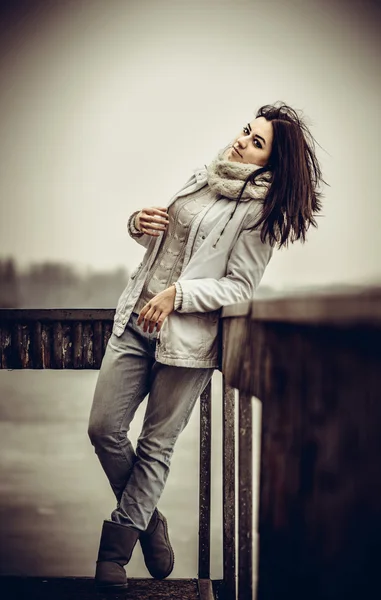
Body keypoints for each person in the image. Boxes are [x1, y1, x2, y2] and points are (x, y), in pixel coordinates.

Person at [87, 101, 324, 590]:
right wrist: (139, 223)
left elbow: (239, 287)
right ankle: (148, 520)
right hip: (137, 319)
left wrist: (180, 296)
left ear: (271, 163)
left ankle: (115, 548)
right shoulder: (203, 176)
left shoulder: (262, 214)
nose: (242, 140)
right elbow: (167, 245)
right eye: (246, 131)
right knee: (103, 428)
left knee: (156, 445)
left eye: (257, 142)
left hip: (187, 339)